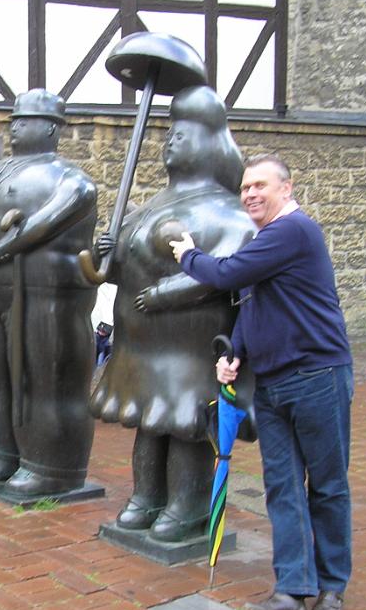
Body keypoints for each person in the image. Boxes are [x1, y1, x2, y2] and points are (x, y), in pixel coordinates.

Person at [170, 154, 353, 610]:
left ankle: (332, 587)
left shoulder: (293, 232)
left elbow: (226, 274)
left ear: (286, 190)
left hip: (317, 377)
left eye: (260, 186)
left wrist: (188, 255)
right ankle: (292, 590)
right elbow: (252, 303)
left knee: (327, 486)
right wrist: (237, 354)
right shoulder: (265, 240)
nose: (250, 193)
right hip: (272, 383)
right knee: (283, 487)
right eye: (245, 187)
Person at [90, 84, 256, 542]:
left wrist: (167, 294)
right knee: (150, 424)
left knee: (185, 425)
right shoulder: (148, 207)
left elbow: (223, 269)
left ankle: (188, 506)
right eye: (169, 132)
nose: (170, 140)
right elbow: (113, 269)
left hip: (188, 351)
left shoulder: (230, 213)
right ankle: (147, 497)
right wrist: (107, 252)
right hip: (142, 350)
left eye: (184, 133)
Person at [0, 89, 98, 498]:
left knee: (41, 379)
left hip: (42, 293)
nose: (16, 127)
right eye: (14, 120)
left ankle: (49, 463)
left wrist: (0, 250)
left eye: (26, 120)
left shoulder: (72, 179)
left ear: (51, 128)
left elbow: (43, 225)